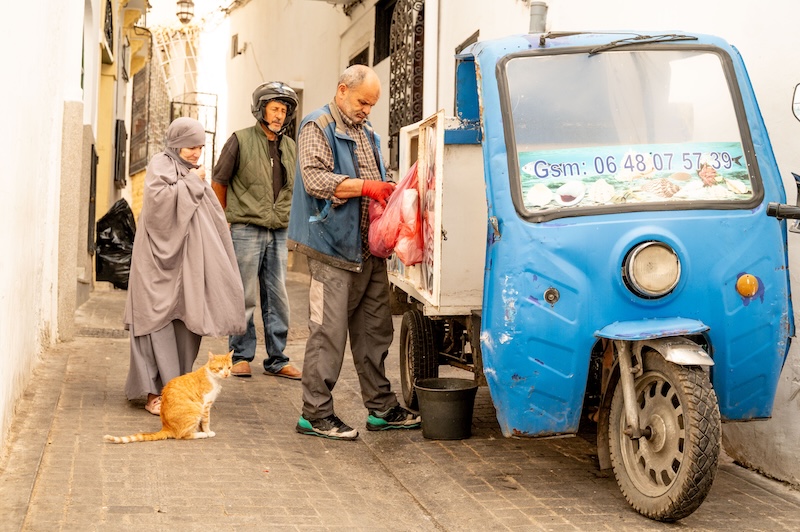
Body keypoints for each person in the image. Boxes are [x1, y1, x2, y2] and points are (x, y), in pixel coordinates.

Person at [288, 65, 421, 440]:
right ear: (342, 90)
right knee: (328, 334)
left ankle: (382, 408)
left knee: (375, 332)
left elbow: (378, 179)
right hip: (331, 248)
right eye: (363, 102)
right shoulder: (317, 126)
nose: (367, 110)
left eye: (372, 104)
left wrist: (389, 189)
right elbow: (314, 179)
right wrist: (367, 187)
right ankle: (315, 414)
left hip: (369, 251)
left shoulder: (369, 133)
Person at [124, 117, 246, 415]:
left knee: (187, 325)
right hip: (157, 264)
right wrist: (193, 181)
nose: (196, 152)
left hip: (188, 266)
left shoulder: (192, 171)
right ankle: (155, 393)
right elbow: (158, 208)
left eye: (200, 147)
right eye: (191, 146)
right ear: (176, 143)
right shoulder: (161, 165)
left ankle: (175, 389)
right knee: (155, 324)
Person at [212, 82, 302, 380]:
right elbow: (219, 181)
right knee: (244, 295)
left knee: (278, 296)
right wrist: (223, 220)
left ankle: (277, 359)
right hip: (246, 228)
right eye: (274, 109)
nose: (279, 115)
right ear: (260, 109)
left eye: (284, 110)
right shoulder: (240, 140)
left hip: (279, 230)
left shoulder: (290, 146)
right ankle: (239, 356)